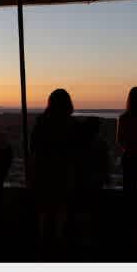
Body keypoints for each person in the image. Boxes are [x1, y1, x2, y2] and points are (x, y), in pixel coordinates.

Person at [30, 89, 82, 249]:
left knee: (44, 210)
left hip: (43, 172)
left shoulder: (41, 122)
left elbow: (33, 148)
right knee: (60, 210)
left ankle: (42, 242)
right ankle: (58, 243)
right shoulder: (72, 125)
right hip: (63, 172)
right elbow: (77, 150)